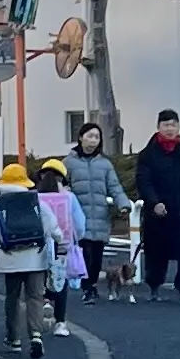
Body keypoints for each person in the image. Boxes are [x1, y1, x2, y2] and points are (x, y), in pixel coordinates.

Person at [0, 159, 71, 359]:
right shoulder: (36, 202)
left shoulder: (0, 206)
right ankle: (36, 335)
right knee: (35, 297)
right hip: (36, 258)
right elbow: (53, 228)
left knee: (12, 297)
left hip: (10, 259)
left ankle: (13, 338)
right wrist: (60, 241)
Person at [133, 108, 180, 302]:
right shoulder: (148, 155)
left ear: (178, 127)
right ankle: (154, 287)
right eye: (166, 125)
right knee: (155, 251)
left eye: (173, 125)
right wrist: (154, 202)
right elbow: (144, 181)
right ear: (158, 127)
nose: (170, 129)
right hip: (157, 213)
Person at [63, 122, 130, 302]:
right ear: (80, 137)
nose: (93, 140)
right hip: (78, 218)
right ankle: (87, 287)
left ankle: (91, 285)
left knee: (96, 256)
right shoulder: (68, 162)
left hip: (100, 217)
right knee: (84, 254)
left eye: (96, 137)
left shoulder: (105, 164)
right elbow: (59, 184)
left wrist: (123, 204)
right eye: (89, 136)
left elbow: (114, 187)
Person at [33, 159, 86, 336]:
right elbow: (79, 224)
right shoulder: (69, 198)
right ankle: (60, 323)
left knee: (40, 277)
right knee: (60, 282)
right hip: (62, 246)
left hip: (38, 245)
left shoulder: (34, 197)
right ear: (62, 178)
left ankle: (46, 300)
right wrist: (78, 238)